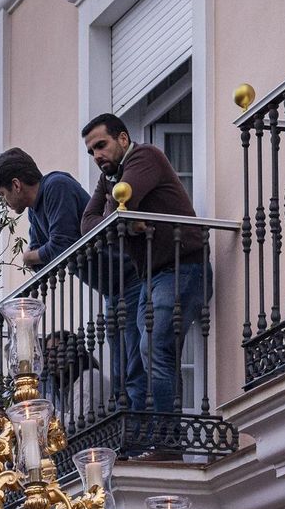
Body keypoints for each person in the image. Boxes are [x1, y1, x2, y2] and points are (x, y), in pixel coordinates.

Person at [78, 114, 202, 456]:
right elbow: (88, 225)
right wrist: (122, 222)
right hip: (153, 276)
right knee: (153, 355)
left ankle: (167, 442)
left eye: (101, 145)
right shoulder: (110, 180)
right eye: (91, 151)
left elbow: (124, 204)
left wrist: (121, 218)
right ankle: (160, 439)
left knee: (153, 349)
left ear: (122, 138)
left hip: (181, 267)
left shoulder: (144, 157)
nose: (97, 156)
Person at [0, 148, 91, 269]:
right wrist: (35, 257)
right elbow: (40, 262)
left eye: (2, 194)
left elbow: (62, 246)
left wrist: (27, 257)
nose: (4, 203)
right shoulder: (33, 210)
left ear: (16, 185)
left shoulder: (56, 186)